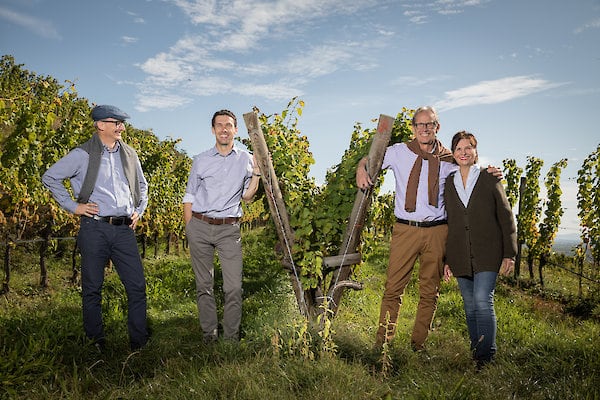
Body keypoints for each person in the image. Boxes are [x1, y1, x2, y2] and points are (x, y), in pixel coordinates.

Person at [356, 106, 501, 351]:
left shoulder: (448, 159)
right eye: (420, 124)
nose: (424, 129)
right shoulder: (399, 152)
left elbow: (471, 172)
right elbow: (370, 159)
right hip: (406, 230)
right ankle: (383, 346)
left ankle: (418, 345)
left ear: (437, 127)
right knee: (393, 289)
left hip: (438, 231)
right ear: (413, 128)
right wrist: (362, 169)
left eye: (429, 124)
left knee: (429, 292)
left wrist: (489, 172)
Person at [42, 104, 149, 352]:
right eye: (117, 123)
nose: (122, 127)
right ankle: (95, 343)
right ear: (101, 125)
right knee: (92, 288)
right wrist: (72, 206)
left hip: (124, 230)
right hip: (94, 229)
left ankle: (139, 342)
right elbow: (50, 176)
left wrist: (138, 210)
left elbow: (142, 186)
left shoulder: (130, 154)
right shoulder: (82, 155)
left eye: (122, 123)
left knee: (136, 286)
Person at [183, 109, 261, 344]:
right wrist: (190, 229)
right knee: (204, 285)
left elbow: (247, 197)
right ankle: (209, 335)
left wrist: (256, 174)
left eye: (228, 125)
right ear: (213, 130)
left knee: (234, 287)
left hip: (229, 229)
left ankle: (231, 339)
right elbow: (189, 196)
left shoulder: (246, 158)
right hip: (200, 225)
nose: (224, 129)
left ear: (235, 130)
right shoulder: (201, 160)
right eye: (219, 125)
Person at [442, 131, 517, 369]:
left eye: (468, 148)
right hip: (459, 254)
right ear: (453, 154)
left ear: (475, 152)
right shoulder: (449, 183)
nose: (463, 153)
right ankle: (477, 352)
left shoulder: (489, 178)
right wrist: (446, 259)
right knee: (469, 305)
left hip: (488, 252)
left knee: (483, 301)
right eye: (459, 149)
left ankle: (486, 358)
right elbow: (450, 222)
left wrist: (510, 253)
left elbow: (506, 217)